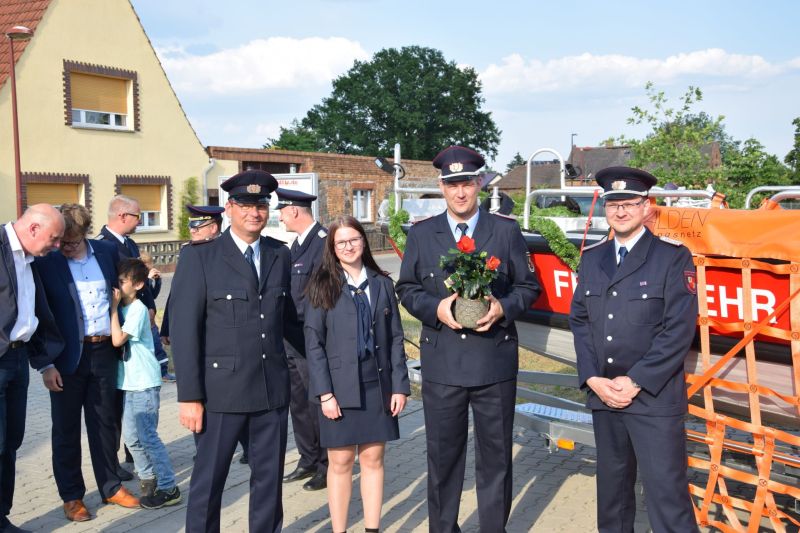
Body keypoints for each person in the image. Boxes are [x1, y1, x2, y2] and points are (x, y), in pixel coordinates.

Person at [395, 146, 541, 533]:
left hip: (493, 362)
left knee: (495, 459)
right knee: (443, 460)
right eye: (452, 184)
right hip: (443, 364)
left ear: (479, 184)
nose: (460, 192)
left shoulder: (505, 231)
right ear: (442, 188)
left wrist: (502, 308)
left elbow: (529, 287)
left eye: (467, 183)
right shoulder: (424, 234)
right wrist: (435, 309)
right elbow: (407, 288)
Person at [568, 166, 699, 533]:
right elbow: (580, 321)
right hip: (604, 395)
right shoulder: (593, 258)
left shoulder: (672, 258)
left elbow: (678, 330)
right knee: (612, 499)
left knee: (667, 497)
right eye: (613, 204)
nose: (620, 211)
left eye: (629, 203)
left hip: (653, 398)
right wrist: (592, 377)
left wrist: (636, 380)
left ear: (647, 208)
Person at [170, 170, 293, 532]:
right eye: (245, 204)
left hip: (271, 390)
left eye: (261, 205)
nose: (254, 212)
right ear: (229, 207)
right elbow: (184, 331)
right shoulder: (201, 258)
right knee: (209, 482)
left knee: (269, 483)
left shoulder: (278, 254)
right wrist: (189, 397)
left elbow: (289, 323)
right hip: (220, 395)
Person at [34, 204, 139, 522]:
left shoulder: (106, 251)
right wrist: (44, 364)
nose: (65, 247)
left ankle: (110, 485)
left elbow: (132, 283)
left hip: (104, 352)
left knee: (105, 422)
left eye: (72, 242)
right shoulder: (46, 261)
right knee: (65, 431)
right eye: (61, 241)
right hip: (66, 359)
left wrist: (145, 298)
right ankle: (72, 496)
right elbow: (37, 312)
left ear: (85, 236)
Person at [305, 216, 410, 533]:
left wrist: (400, 387)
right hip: (338, 389)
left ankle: (372, 528)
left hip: (377, 385)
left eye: (354, 239)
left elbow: (395, 338)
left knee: (373, 460)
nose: (348, 246)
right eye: (341, 242)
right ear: (333, 249)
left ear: (364, 242)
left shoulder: (381, 284)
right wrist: (325, 394)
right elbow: (314, 344)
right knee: (339, 463)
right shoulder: (321, 286)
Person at [0, 204, 65, 533]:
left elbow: (31, 314)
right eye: (53, 239)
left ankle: (2, 517)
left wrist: (45, 363)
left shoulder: (30, 259)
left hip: (17, 359)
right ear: (34, 228)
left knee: (11, 441)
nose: (55, 247)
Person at [110, 258, 180, 509]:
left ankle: (169, 486)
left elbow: (117, 340)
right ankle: (148, 478)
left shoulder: (138, 309)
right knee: (131, 437)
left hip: (145, 384)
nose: (117, 286)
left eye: (122, 282)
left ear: (138, 284)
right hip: (129, 384)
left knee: (148, 437)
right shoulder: (124, 309)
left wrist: (111, 309)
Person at [275, 188, 329, 491]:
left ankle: (326, 463)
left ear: (294, 211)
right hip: (290, 340)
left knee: (317, 402)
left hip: (311, 340)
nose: (280, 217)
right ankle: (308, 458)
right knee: (298, 403)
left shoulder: (322, 244)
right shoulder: (296, 245)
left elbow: (321, 299)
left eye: (281, 211)